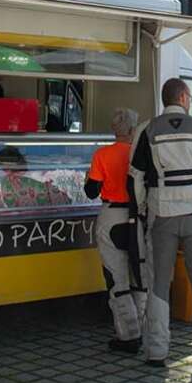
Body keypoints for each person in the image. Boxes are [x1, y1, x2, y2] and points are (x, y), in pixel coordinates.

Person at [130, 78, 192, 369]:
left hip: (161, 215)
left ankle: (157, 352)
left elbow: (134, 178)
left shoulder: (147, 129)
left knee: (158, 284)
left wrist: (144, 210)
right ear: (184, 97)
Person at [84, 108, 147, 352]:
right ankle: (141, 330)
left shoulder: (102, 154)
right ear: (133, 130)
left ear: (114, 129)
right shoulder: (139, 154)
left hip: (111, 217)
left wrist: (87, 178)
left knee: (116, 278)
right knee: (139, 277)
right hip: (137, 217)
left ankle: (128, 335)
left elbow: (91, 191)